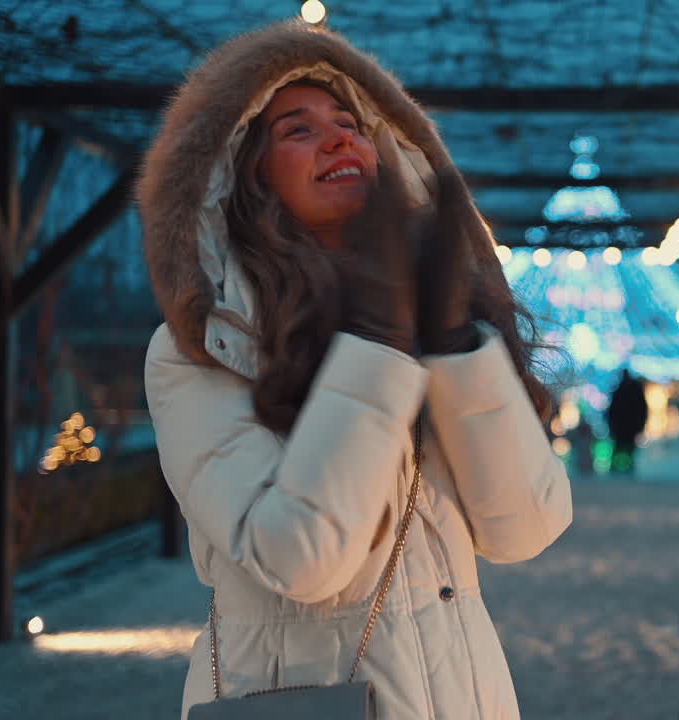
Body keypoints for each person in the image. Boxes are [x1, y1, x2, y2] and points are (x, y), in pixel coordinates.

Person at [137, 20, 572, 720]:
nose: (342, 138)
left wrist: (454, 343)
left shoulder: (435, 324)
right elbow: (302, 562)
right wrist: (379, 342)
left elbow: (524, 529)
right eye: (298, 131)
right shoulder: (201, 351)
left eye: (351, 123)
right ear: (242, 178)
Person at [605, 368, 648, 473]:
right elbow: (612, 411)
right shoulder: (622, 390)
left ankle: (624, 467)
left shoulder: (626, 390)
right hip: (623, 426)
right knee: (622, 447)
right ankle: (619, 467)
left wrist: (640, 425)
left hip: (628, 426)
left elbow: (642, 410)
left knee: (627, 447)